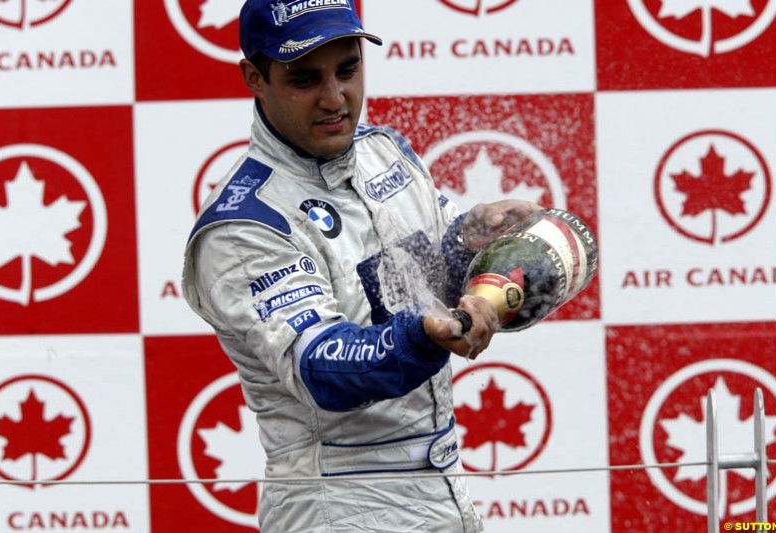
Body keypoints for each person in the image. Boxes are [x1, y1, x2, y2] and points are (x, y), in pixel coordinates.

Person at [182, 1, 541, 531]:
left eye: (348, 70)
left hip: (442, 485)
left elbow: (410, 283)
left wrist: (468, 242)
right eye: (305, 79)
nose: (335, 99)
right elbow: (322, 368)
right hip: (338, 506)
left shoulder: (384, 152)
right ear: (255, 77)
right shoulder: (243, 223)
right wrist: (421, 337)